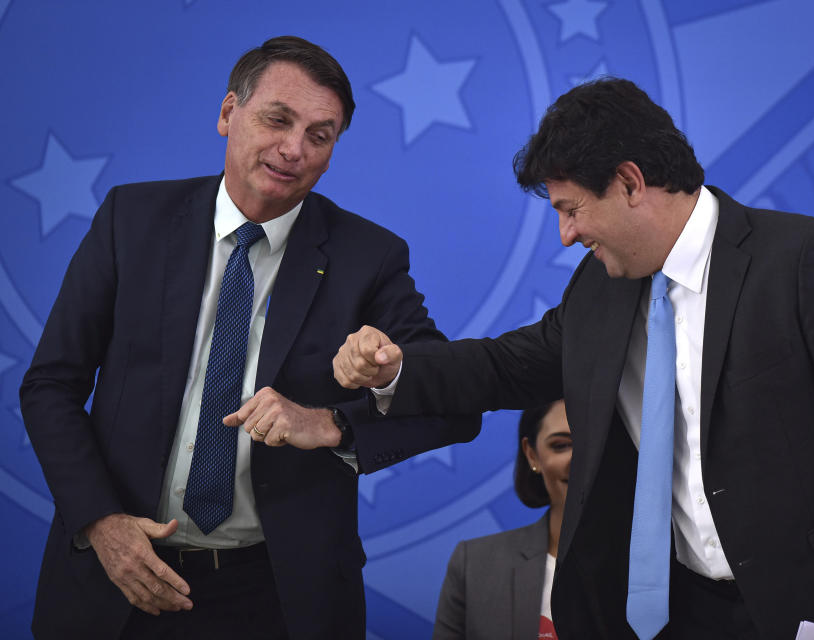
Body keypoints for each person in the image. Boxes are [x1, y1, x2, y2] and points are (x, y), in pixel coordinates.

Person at [333, 78, 814, 639]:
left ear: (630, 183)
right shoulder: (598, 288)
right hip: (686, 616)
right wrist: (397, 369)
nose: (567, 235)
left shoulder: (801, 259)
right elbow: (505, 366)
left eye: (571, 209)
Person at [19, 35, 479, 640]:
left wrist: (333, 423)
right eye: (277, 120)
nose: (294, 149)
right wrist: (102, 524)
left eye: (320, 134)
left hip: (279, 596)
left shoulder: (367, 257)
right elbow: (51, 385)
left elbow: (455, 406)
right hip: (118, 578)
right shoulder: (130, 221)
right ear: (228, 114)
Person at [434, 400, 571, 640]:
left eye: (596, 442)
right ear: (532, 454)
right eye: (561, 445)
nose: (580, 459)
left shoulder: (656, 566)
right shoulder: (474, 565)